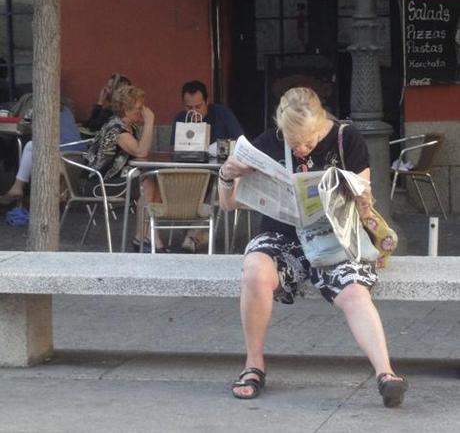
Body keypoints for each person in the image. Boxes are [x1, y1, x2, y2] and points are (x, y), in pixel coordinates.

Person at [218, 87, 408, 407]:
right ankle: (253, 366)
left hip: (333, 235)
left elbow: (365, 201)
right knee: (254, 271)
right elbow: (228, 204)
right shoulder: (266, 144)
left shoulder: (347, 139)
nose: (303, 149)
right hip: (283, 236)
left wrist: (360, 198)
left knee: (354, 292)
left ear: (322, 122)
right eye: (295, 143)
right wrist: (226, 175)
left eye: (309, 140)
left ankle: (386, 375)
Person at [85, 84, 167, 253]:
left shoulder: (130, 126)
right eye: (138, 108)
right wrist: (150, 121)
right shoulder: (117, 129)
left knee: (154, 181)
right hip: (100, 182)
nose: (142, 111)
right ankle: (146, 236)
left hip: (117, 177)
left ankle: (145, 236)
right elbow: (142, 151)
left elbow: (141, 155)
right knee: (148, 183)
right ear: (125, 109)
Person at [171, 80, 244, 252]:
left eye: (198, 106)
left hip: (216, 175)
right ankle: (195, 234)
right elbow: (173, 149)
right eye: (189, 108)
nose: (194, 111)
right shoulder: (180, 119)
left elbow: (240, 141)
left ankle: (194, 236)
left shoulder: (221, 114)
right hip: (187, 174)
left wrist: (216, 147)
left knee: (211, 185)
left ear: (207, 101)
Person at [0, 102, 84, 206]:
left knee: (31, 146)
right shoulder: (66, 110)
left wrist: (27, 125)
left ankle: (18, 187)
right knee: (33, 149)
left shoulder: (44, 110)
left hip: (63, 158)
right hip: (80, 159)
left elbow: (31, 132)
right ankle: (21, 189)